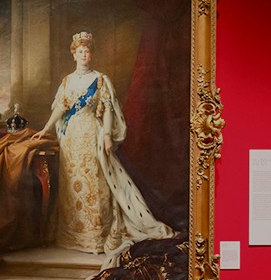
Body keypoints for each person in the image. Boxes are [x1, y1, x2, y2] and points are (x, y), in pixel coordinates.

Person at [30, 31, 173, 255]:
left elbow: (107, 110)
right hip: (71, 139)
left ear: (91, 55)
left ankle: (97, 236)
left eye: (87, 51)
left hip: (92, 134)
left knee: (95, 183)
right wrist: (46, 128)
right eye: (80, 52)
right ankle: (74, 236)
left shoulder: (100, 80)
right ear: (74, 55)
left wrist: (106, 135)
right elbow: (61, 107)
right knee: (72, 184)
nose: (84, 55)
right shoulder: (67, 81)